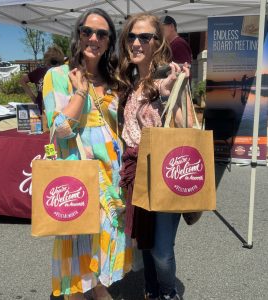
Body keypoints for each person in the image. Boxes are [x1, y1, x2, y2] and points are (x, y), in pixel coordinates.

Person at [43, 8, 132, 300]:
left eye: (101, 33)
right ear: (78, 35)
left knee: (102, 242)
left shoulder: (114, 78)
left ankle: (99, 288)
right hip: (76, 175)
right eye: (87, 31)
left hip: (110, 176)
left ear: (109, 40)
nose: (93, 38)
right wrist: (80, 93)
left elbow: (121, 127)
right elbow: (59, 129)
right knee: (77, 241)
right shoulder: (57, 76)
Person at [118, 13, 191, 300]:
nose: (136, 43)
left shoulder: (170, 75)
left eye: (144, 37)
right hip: (136, 171)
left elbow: (185, 129)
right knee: (145, 243)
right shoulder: (130, 80)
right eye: (131, 37)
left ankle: (169, 293)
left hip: (164, 171)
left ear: (157, 42)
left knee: (161, 250)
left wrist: (170, 93)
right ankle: (151, 291)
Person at [20, 45, 64, 114]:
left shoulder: (64, 74)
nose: (50, 66)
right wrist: (33, 98)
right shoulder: (39, 72)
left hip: (58, 114)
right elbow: (22, 80)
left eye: (54, 63)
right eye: (49, 63)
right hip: (41, 112)